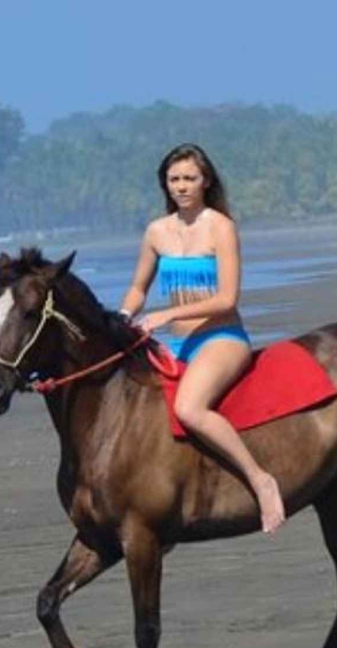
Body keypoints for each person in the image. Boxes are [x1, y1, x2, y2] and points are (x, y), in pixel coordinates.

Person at [118, 143, 286, 534]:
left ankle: (261, 481)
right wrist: (124, 315)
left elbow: (228, 298)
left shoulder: (221, 227)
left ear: (205, 180)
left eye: (189, 178)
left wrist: (168, 313)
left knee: (191, 409)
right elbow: (138, 288)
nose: (181, 186)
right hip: (172, 345)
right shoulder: (156, 232)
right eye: (174, 179)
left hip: (220, 337)